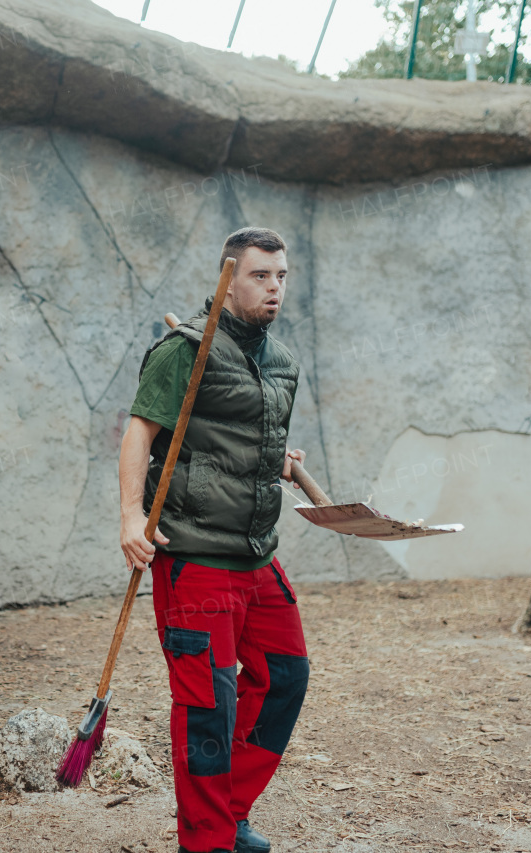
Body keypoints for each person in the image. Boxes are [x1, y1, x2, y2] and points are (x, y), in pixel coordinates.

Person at [119, 227, 315, 853]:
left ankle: (227, 811)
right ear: (228, 278)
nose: (274, 287)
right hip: (196, 559)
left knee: (285, 676)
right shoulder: (184, 350)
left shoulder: (281, 362)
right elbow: (140, 434)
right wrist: (130, 519)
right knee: (209, 705)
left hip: (257, 555)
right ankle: (205, 842)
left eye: (281, 275)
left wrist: (275, 458)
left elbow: (233, 434)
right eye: (260, 275)